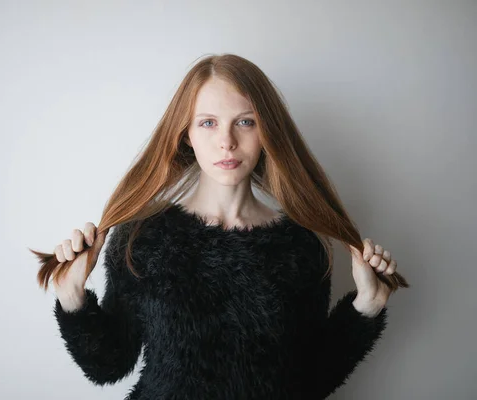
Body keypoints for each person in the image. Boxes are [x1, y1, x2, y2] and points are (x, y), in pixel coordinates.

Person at [31, 53, 409, 399]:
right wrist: (72, 298)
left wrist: (366, 306)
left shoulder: (300, 244)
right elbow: (109, 366)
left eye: (245, 122)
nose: (226, 142)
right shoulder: (141, 239)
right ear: (187, 135)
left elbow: (309, 378)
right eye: (208, 123)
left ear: (267, 133)